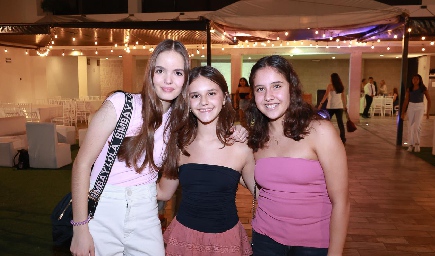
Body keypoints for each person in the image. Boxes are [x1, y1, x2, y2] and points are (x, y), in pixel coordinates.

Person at [70, 39, 248, 256]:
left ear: (185, 80)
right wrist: (80, 227)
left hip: (146, 209)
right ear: (150, 73)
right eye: (161, 70)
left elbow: (205, 138)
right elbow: (81, 164)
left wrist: (236, 131)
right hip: (106, 206)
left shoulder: (179, 123)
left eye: (178, 73)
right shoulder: (121, 105)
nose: (168, 80)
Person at [245, 55, 349, 256]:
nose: (268, 96)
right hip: (265, 239)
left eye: (276, 86)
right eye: (260, 89)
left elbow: (342, 202)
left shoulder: (320, 132)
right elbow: (255, 183)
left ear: (291, 88)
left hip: (313, 244)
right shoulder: (257, 137)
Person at [158, 66, 255, 255]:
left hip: (226, 240)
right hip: (184, 238)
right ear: (187, 101)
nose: (203, 102)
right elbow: (163, 192)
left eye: (211, 93)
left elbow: (263, 194)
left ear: (225, 97)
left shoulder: (241, 147)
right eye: (195, 95)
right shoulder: (179, 145)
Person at [401, 74, 431, 153]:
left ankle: (417, 144)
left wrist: (428, 112)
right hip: (411, 106)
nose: (415, 80)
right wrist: (403, 112)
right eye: (413, 79)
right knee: (410, 126)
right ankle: (410, 144)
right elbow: (406, 101)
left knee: (417, 126)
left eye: (417, 79)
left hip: (419, 107)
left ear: (419, 80)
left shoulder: (423, 89)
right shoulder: (409, 89)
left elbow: (429, 100)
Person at [318, 73, 347, 144]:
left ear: (332, 78)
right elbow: (343, 97)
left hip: (331, 106)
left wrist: (321, 104)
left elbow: (325, 95)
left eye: (330, 77)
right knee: (340, 123)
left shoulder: (330, 86)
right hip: (339, 106)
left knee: (327, 122)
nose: (329, 79)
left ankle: (325, 137)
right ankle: (343, 139)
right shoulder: (341, 86)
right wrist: (344, 105)